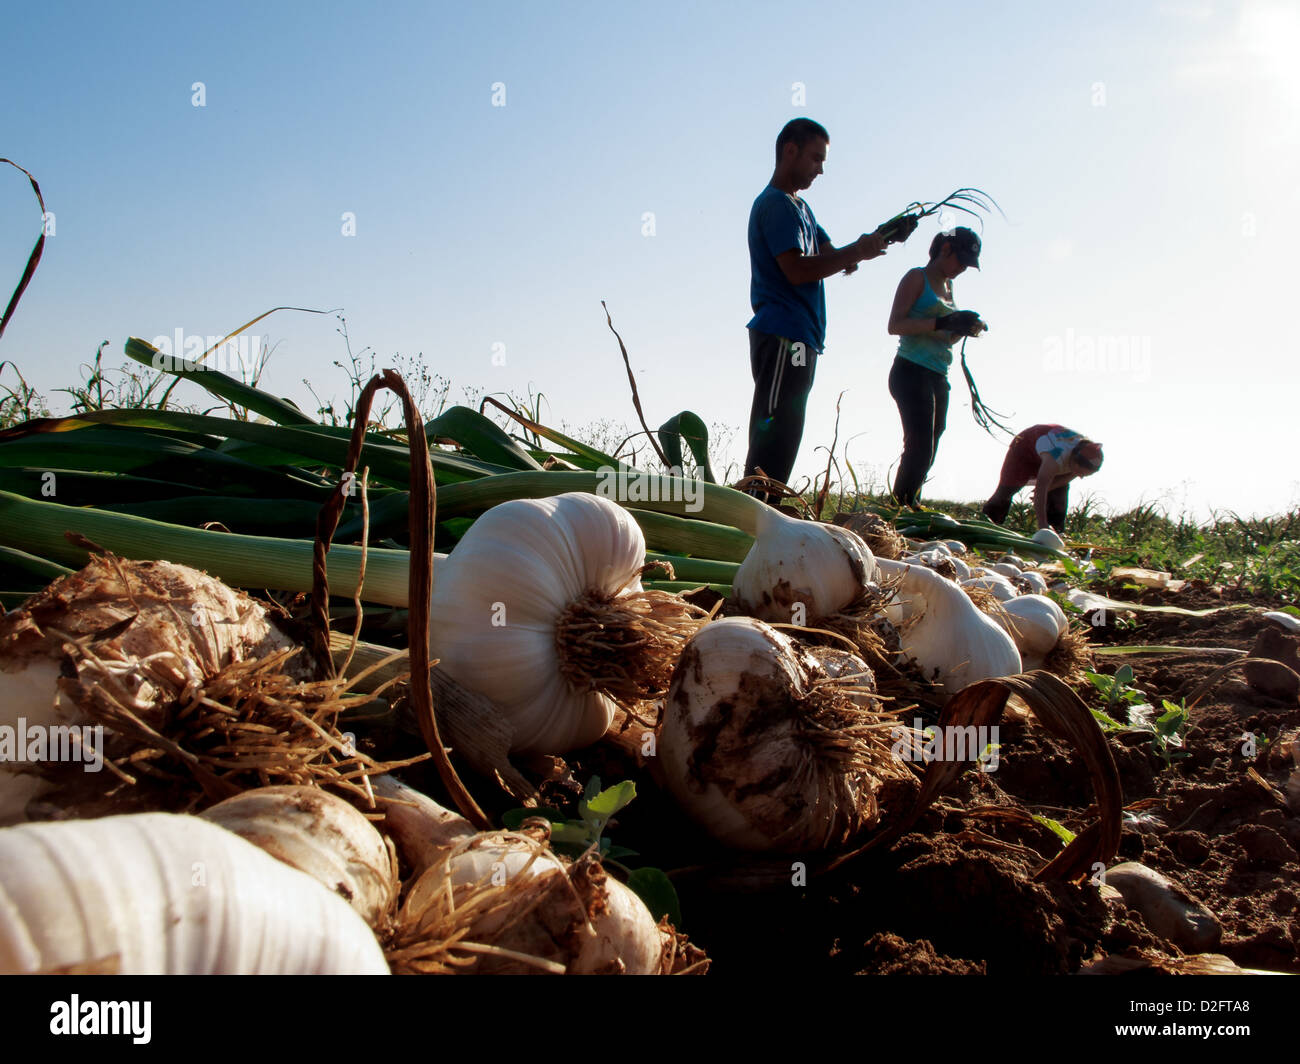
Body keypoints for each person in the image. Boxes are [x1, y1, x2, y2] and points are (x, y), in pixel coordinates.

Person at [743, 118, 916, 501]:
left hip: (803, 336)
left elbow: (835, 257)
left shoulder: (802, 209)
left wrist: (882, 236)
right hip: (782, 332)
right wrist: (855, 252)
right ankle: (751, 510)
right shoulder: (775, 206)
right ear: (790, 150)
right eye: (816, 158)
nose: (821, 169)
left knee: (788, 426)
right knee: (773, 426)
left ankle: (766, 508)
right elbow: (797, 270)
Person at [885, 226, 987, 508]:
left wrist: (964, 327)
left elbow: (946, 338)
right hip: (910, 370)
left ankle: (910, 501)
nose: (962, 269)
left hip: (938, 374)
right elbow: (895, 325)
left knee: (933, 438)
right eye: (961, 261)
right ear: (945, 250)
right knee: (919, 444)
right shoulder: (917, 277)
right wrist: (943, 322)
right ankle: (900, 507)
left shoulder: (950, 286)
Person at [982, 425, 1104, 532]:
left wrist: (1048, 488)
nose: (1081, 477)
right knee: (1006, 491)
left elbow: (1066, 478)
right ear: (1074, 461)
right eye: (1080, 472)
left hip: (1052, 455)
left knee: (1059, 494)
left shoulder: (1086, 455)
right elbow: (1042, 486)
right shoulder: (1056, 455)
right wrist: (1042, 525)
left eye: (1085, 475)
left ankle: (1057, 530)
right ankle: (987, 525)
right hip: (1024, 449)